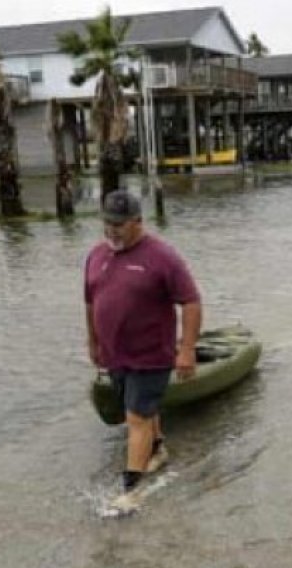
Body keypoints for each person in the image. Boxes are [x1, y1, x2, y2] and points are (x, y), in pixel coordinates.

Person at [84, 189, 202, 510]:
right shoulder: (96, 255)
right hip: (115, 352)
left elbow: (191, 301)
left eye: (119, 224)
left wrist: (187, 350)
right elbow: (91, 301)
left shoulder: (162, 257)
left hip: (152, 354)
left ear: (138, 221)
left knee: (136, 417)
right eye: (107, 223)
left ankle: (131, 490)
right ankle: (158, 449)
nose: (112, 230)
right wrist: (93, 341)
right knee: (138, 410)